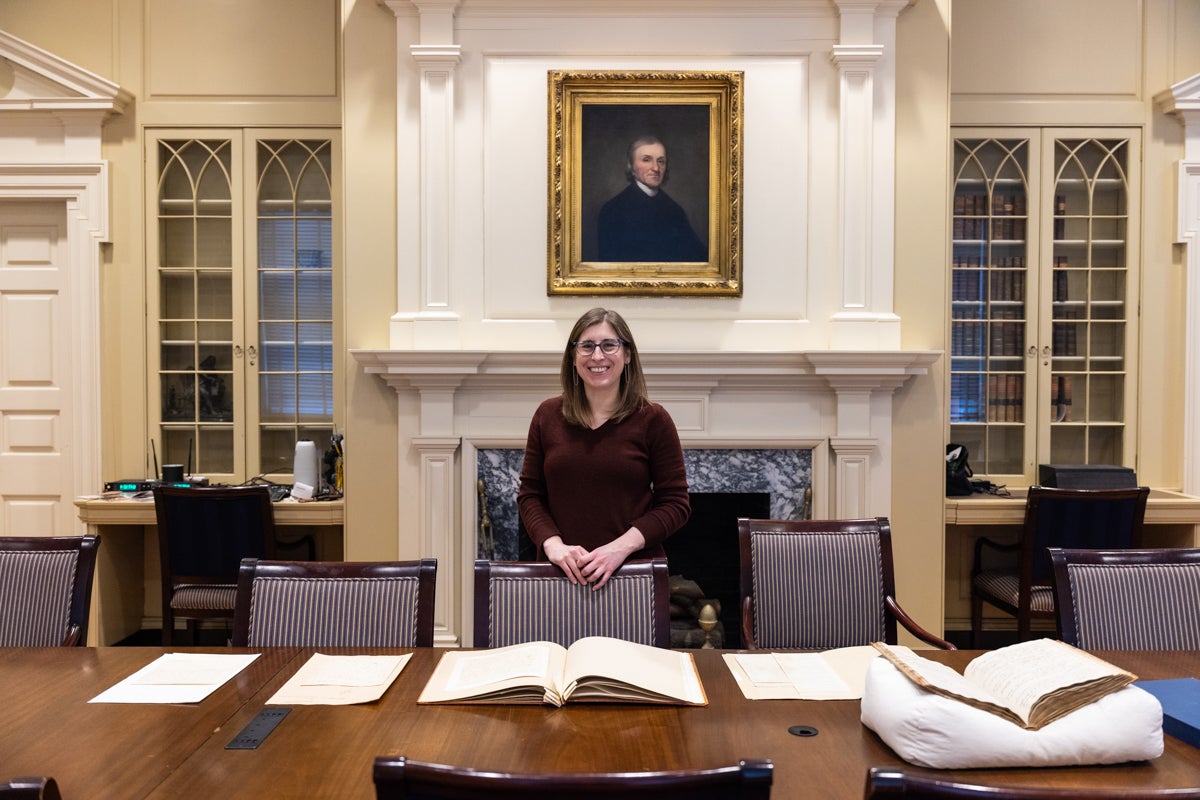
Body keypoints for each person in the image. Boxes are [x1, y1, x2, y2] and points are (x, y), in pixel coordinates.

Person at [517, 307, 690, 589]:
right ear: (573, 358)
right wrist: (554, 546)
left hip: (632, 575)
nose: (597, 356)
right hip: (559, 574)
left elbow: (676, 504)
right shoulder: (547, 415)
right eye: (586, 346)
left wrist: (619, 549)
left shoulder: (653, 419)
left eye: (609, 345)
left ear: (628, 354)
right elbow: (530, 496)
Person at [596, 136, 708, 263]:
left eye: (661, 161)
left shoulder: (674, 210)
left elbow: (696, 255)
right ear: (631, 166)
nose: (655, 168)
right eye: (646, 160)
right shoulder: (613, 210)